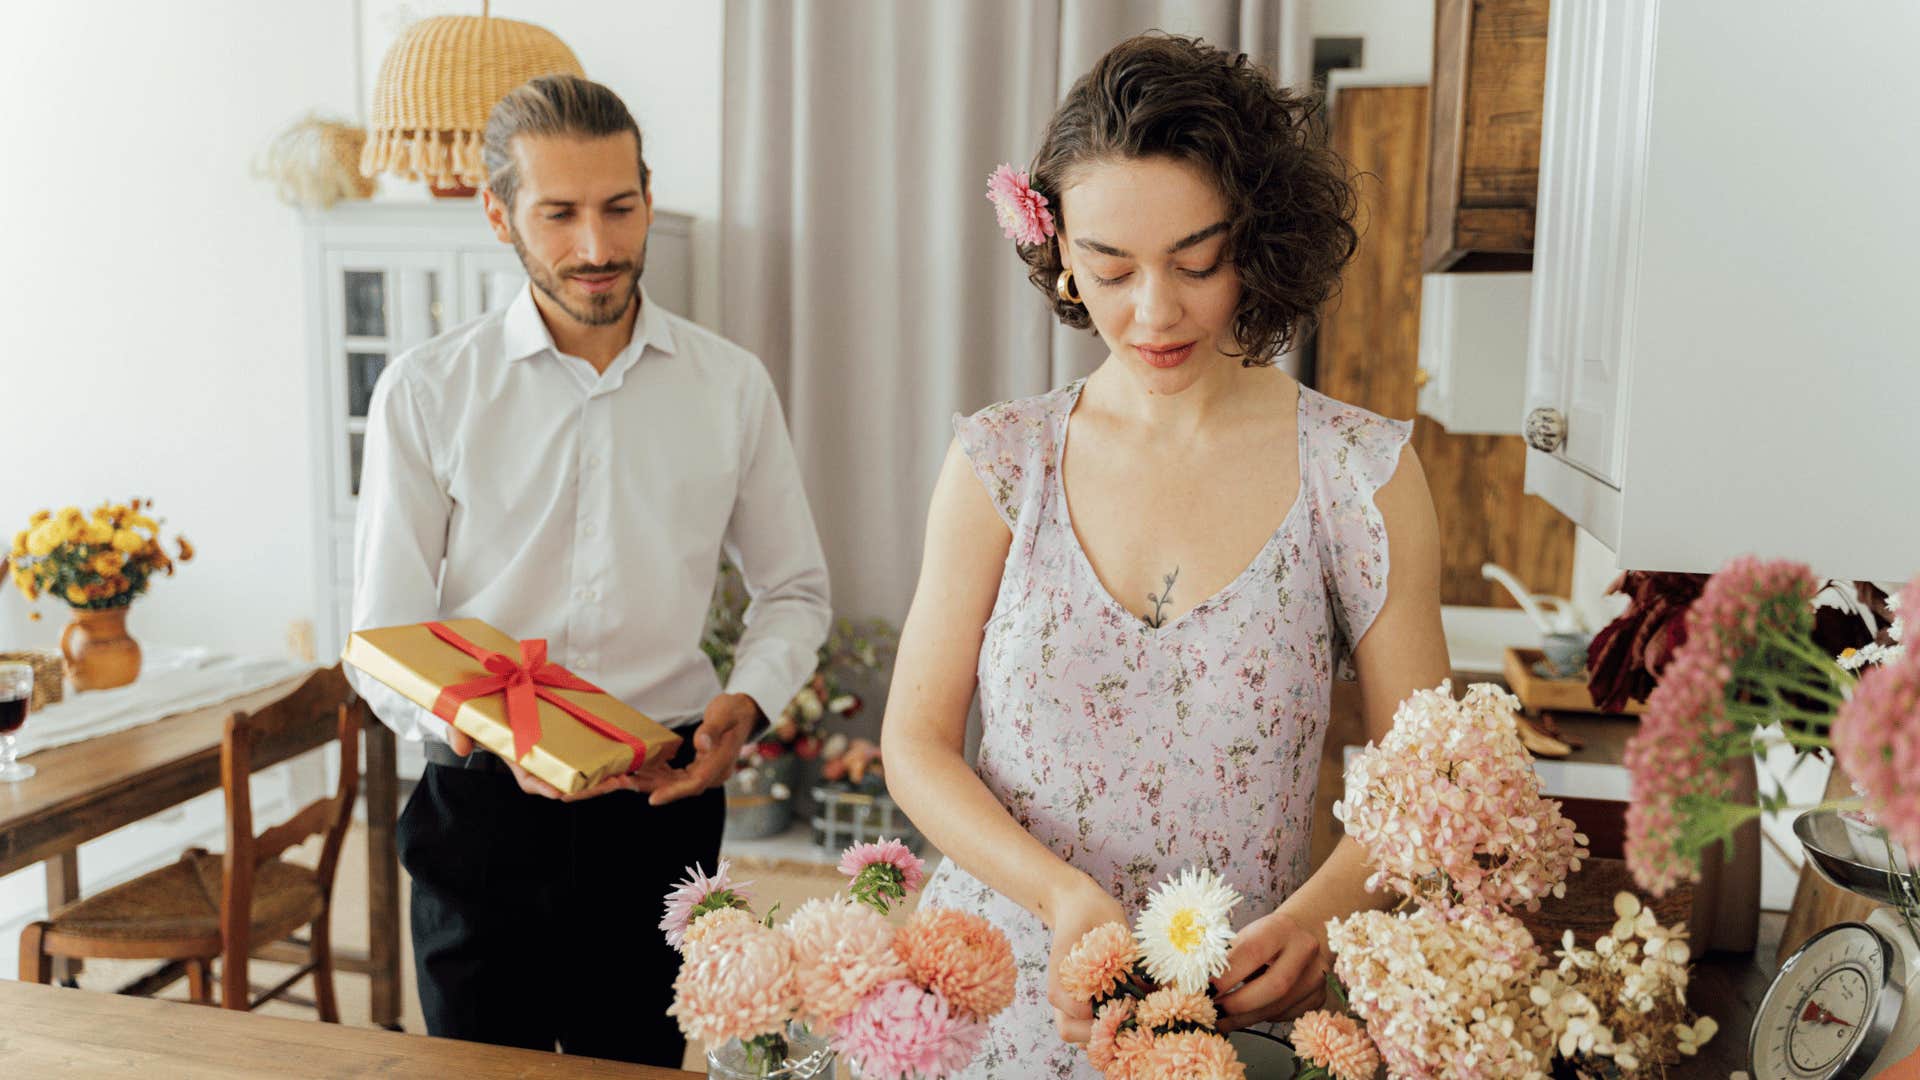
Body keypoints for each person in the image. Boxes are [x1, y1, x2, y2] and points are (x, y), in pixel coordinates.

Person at [882, 34, 1451, 1075]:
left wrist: (1318, 917)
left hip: (1226, 1019)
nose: (1154, 311)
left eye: (1197, 262)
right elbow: (916, 746)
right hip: (994, 1008)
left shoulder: (1358, 477)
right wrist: (1061, 895)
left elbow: (1425, 778)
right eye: (1110, 268)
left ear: (1261, 243)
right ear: (1057, 255)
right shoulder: (1001, 464)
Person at [348, 74, 831, 1066]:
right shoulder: (428, 392)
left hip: (659, 799)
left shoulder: (731, 385)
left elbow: (795, 588)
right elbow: (381, 646)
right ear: (499, 215)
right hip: (480, 805)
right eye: (559, 214)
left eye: (619, 208)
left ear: (649, 198)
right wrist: (488, 729)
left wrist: (747, 703)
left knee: (636, 1065)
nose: (599, 248)